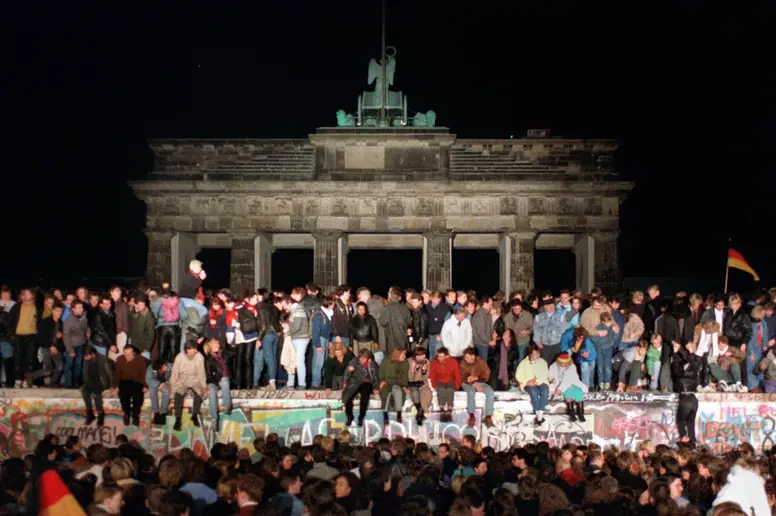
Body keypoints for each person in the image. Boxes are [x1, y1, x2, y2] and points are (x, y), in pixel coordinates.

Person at [171, 340, 208, 431]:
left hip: (195, 378)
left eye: (196, 348)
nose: (195, 350)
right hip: (182, 378)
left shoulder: (199, 357)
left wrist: (203, 386)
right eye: (193, 349)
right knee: (178, 395)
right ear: (187, 350)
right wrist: (173, 387)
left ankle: (195, 415)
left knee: (199, 394)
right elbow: (175, 373)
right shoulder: (179, 358)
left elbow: (201, 372)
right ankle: (178, 419)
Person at [112, 345, 148, 427]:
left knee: (138, 396)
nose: (126, 356)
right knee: (123, 396)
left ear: (133, 353)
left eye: (128, 354)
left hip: (137, 381)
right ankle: (126, 414)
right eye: (125, 354)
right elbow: (117, 374)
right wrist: (115, 386)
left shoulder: (141, 360)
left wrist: (145, 386)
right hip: (124, 381)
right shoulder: (120, 359)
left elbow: (144, 374)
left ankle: (135, 415)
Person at [342, 348, 379, 427]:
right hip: (355, 381)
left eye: (364, 357)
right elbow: (347, 372)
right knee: (347, 396)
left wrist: (376, 388)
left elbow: (376, 377)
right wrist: (345, 382)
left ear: (368, 358)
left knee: (364, 398)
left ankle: (361, 417)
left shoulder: (372, 364)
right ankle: (349, 416)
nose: (362, 359)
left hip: (367, 382)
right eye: (361, 357)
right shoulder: (355, 361)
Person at [460, 347, 495, 428]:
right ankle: (471, 415)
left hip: (480, 382)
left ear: (473, 356)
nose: (467, 359)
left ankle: (488, 416)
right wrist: (473, 384)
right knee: (471, 392)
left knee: (490, 392)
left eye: (469, 357)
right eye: (466, 358)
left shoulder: (480, 361)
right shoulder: (462, 363)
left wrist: (476, 378)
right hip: (467, 383)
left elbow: (487, 374)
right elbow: (462, 377)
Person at [516, 343, 550, 426]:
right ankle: (538, 413)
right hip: (528, 383)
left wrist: (537, 380)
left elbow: (545, 374)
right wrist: (527, 382)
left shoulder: (542, 362)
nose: (537, 356)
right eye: (535, 354)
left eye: (538, 354)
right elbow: (518, 376)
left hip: (541, 382)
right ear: (530, 354)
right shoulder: (523, 363)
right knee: (533, 391)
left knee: (545, 390)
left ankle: (540, 413)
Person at [548, 352, 587, 422]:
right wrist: (552, 384)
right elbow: (550, 378)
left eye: (564, 364)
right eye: (561, 363)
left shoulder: (572, 366)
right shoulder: (552, 366)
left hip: (572, 383)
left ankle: (581, 413)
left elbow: (567, 380)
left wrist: (559, 390)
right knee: (568, 392)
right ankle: (571, 413)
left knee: (578, 392)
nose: (563, 365)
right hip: (560, 384)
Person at [204, 338, 232, 425]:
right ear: (209, 347)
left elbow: (233, 353)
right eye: (214, 343)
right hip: (214, 382)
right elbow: (208, 376)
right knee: (212, 391)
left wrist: (222, 351)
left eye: (217, 342)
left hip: (225, 380)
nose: (217, 344)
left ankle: (227, 406)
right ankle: (214, 419)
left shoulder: (224, 354)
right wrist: (217, 380)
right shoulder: (208, 360)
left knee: (224, 380)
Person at [429, 346, 461, 422]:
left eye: (441, 356)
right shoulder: (434, 362)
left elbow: (457, 375)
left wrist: (457, 386)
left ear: (446, 356)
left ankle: (449, 409)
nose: (439, 358)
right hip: (439, 381)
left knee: (450, 390)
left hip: (450, 380)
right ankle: (442, 409)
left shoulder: (453, 362)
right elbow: (432, 375)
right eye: (438, 356)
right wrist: (434, 385)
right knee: (441, 390)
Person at [378, 348, 409, 423]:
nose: (404, 356)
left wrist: (405, 386)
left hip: (398, 383)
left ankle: (399, 412)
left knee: (398, 391)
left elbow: (404, 377)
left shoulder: (405, 363)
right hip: (386, 382)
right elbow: (380, 373)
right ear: (397, 355)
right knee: (386, 393)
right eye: (403, 355)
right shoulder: (386, 362)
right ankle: (385, 413)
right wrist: (381, 381)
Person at [81, 345, 109, 427]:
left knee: (96, 394)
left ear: (93, 354)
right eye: (85, 356)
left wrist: (112, 386)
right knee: (85, 392)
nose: (86, 358)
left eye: (87, 356)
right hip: (90, 381)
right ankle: (90, 414)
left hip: (101, 382)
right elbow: (85, 374)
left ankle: (100, 414)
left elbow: (110, 373)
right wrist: (85, 385)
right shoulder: (87, 360)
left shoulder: (103, 359)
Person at [407, 346, 432, 425]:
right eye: (420, 356)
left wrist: (424, 371)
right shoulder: (409, 361)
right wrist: (412, 369)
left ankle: (420, 413)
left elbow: (425, 378)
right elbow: (410, 379)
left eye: (424, 355)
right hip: (412, 384)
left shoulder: (427, 362)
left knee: (427, 393)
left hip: (422, 383)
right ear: (415, 356)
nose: (422, 357)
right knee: (415, 393)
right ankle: (421, 412)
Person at [146, 359, 172, 426]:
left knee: (167, 392)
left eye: (162, 368)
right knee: (152, 393)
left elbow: (176, 375)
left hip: (165, 381)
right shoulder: (150, 367)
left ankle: (163, 412)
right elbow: (148, 380)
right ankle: (156, 412)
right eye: (159, 370)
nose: (161, 370)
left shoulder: (170, 366)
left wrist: (172, 385)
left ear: (164, 364)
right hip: (155, 382)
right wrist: (159, 385)